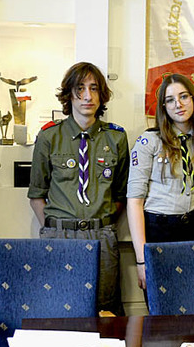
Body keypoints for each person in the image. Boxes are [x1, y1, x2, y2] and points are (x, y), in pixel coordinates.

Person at [28, 62, 130, 316]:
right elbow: (37, 194)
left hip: (101, 236)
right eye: (80, 88)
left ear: (102, 95)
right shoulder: (49, 136)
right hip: (59, 236)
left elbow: (121, 195)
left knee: (105, 311)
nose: (87, 96)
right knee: (58, 308)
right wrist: (53, 227)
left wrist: (101, 223)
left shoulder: (116, 138)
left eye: (94, 89)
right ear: (69, 94)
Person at [127, 74, 194, 292]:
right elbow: (134, 202)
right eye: (170, 100)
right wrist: (141, 260)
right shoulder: (149, 142)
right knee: (162, 303)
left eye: (183, 97)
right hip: (159, 231)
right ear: (163, 107)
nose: (178, 104)